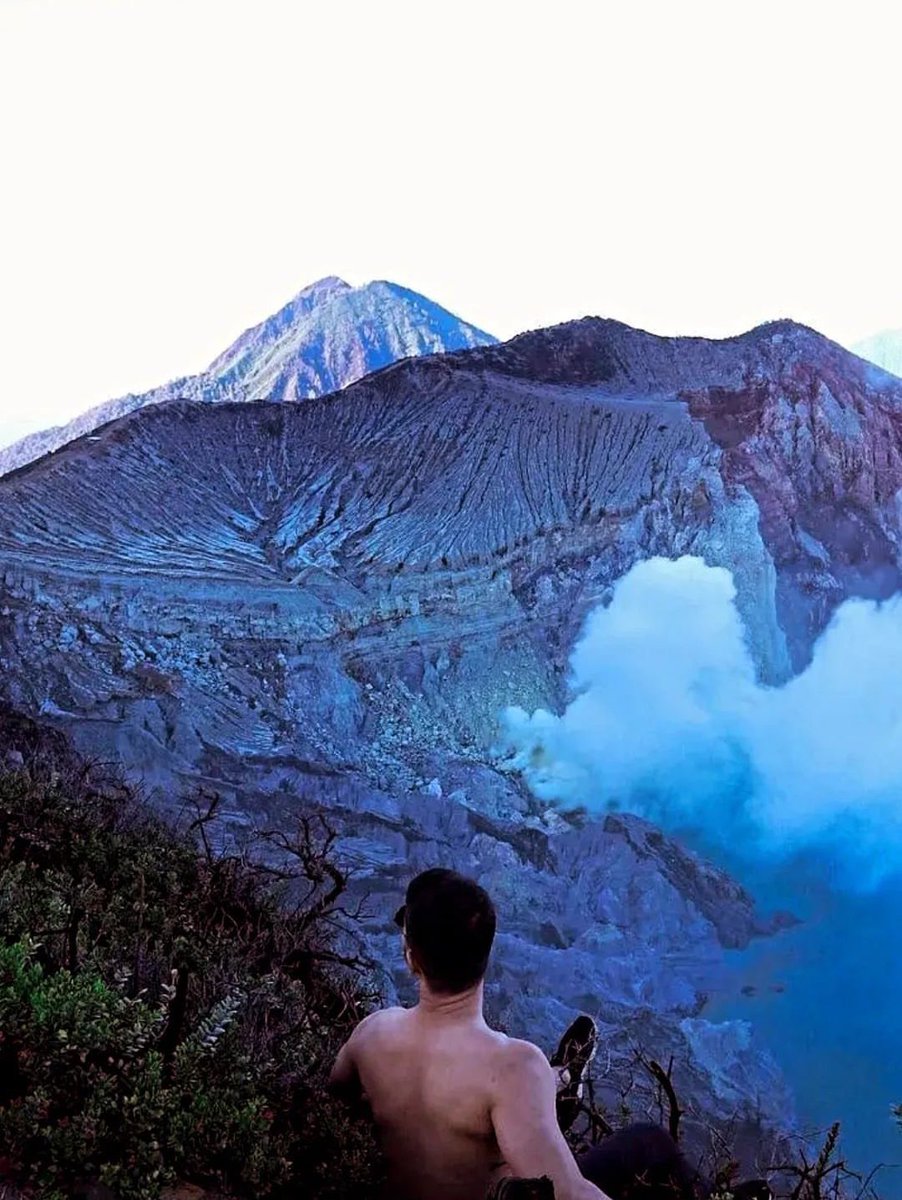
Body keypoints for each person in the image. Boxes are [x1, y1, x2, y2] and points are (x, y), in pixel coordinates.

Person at [329, 867, 697, 1200]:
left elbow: (335, 1097)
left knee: (529, 1092)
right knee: (649, 1143)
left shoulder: (371, 1033)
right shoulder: (511, 1066)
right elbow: (569, 1192)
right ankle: (556, 1090)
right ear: (487, 953)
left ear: (411, 959)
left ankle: (558, 1083)